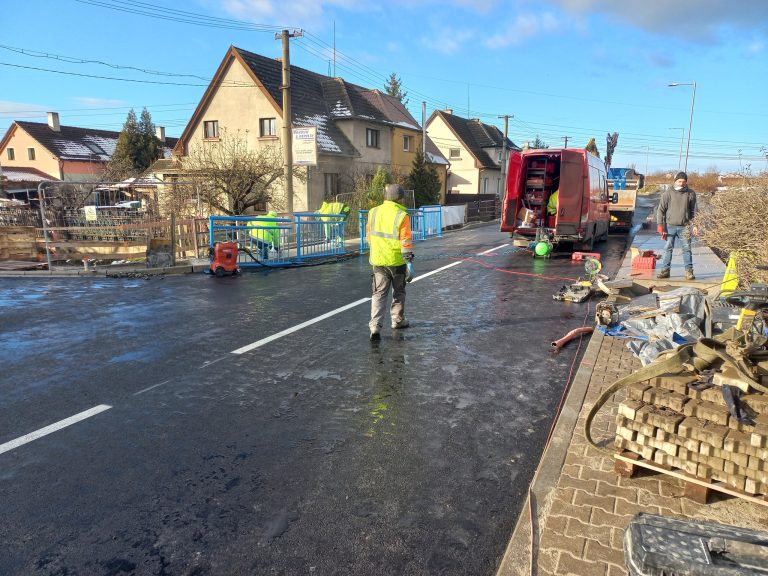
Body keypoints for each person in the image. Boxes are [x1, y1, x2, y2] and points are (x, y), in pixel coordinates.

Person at [366, 184, 414, 341]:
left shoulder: (373, 212)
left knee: (378, 293)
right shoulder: (402, 215)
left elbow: (369, 237)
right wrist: (409, 263)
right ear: (400, 198)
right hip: (396, 261)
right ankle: (397, 321)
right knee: (398, 292)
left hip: (378, 260)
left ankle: (375, 326)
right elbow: (405, 241)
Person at [656, 171, 697, 280]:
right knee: (668, 248)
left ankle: (689, 272)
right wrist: (660, 225)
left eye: (683, 182)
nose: (681, 184)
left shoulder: (691, 193)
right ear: (675, 181)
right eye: (679, 181)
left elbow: (694, 211)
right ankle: (665, 271)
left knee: (687, 249)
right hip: (670, 226)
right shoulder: (668, 193)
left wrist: (695, 225)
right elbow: (661, 210)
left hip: (685, 227)